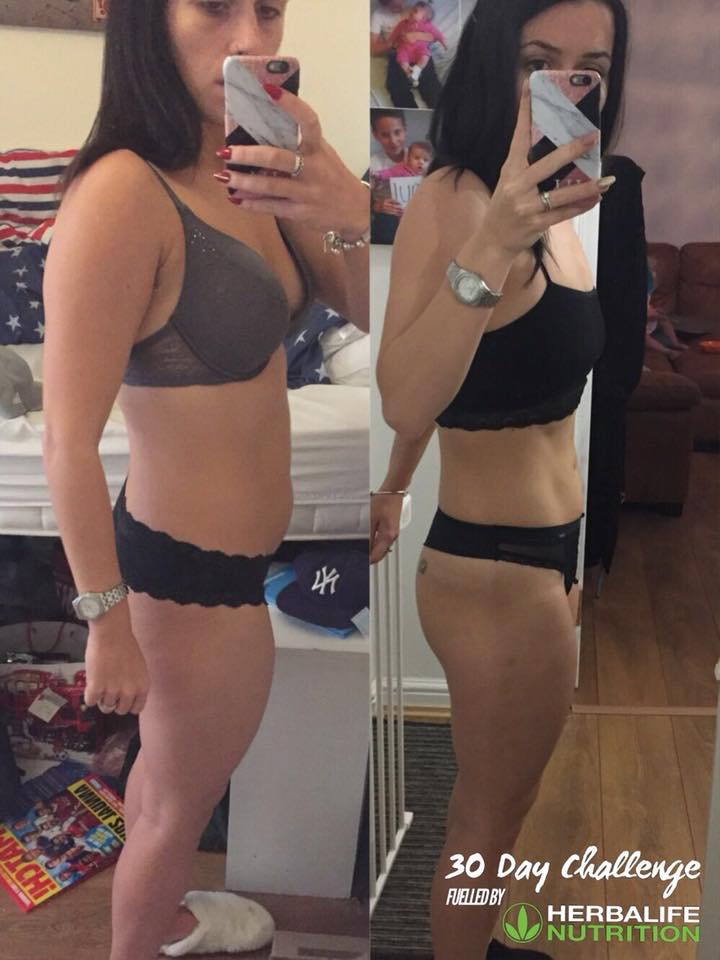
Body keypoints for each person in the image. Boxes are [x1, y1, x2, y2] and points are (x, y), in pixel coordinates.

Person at [42, 2, 369, 959]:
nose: (253, 41)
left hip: (228, 568)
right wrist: (106, 621)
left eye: (268, 8)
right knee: (173, 810)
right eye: (216, 6)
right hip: (185, 579)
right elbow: (66, 440)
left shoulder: (255, 171)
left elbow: (364, 310)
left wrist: (332, 186)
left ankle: (171, 920)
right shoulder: (122, 192)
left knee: (166, 789)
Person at [372, 1, 627, 958]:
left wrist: (392, 490)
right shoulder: (457, 201)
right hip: (494, 575)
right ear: (492, 65)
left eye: (590, 68)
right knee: (486, 817)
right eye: (538, 61)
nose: (566, 85)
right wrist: (493, 242)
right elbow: (406, 392)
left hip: (542, 563)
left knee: (505, 808)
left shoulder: (563, 207)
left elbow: (459, 382)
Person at [370, 0, 443, 108]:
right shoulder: (378, 15)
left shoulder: (416, 8)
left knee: (431, 86)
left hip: (420, 52)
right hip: (399, 54)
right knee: (396, 88)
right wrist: (391, 43)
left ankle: (441, 114)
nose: (399, 8)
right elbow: (372, 49)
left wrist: (417, 35)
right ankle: (413, 115)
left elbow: (434, 36)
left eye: (400, 3)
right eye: (393, 6)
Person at [388, 1, 448, 88]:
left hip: (419, 49)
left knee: (425, 56)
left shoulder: (428, 26)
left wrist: (444, 43)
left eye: (415, 11)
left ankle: (417, 70)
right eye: (412, 9)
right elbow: (395, 33)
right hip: (405, 49)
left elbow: (438, 35)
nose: (411, 12)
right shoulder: (403, 23)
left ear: (423, 18)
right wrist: (391, 41)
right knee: (402, 61)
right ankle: (410, 74)